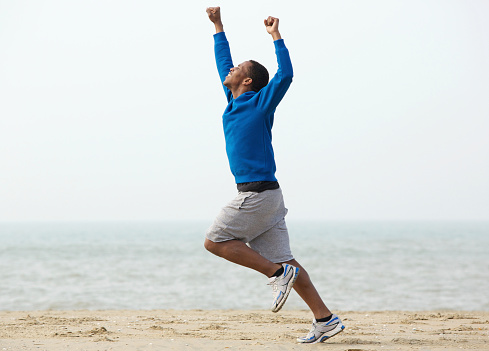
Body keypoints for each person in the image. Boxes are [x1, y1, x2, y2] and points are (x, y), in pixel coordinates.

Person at [204, 7, 345, 344]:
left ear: (248, 80)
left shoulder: (260, 102)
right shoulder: (233, 99)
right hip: (267, 196)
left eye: (237, 69)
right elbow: (223, 61)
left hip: (257, 195)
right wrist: (218, 27)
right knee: (289, 261)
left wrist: (276, 37)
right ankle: (325, 319)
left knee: (215, 241)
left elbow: (285, 75)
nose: (230, 69)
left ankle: (276, 274)